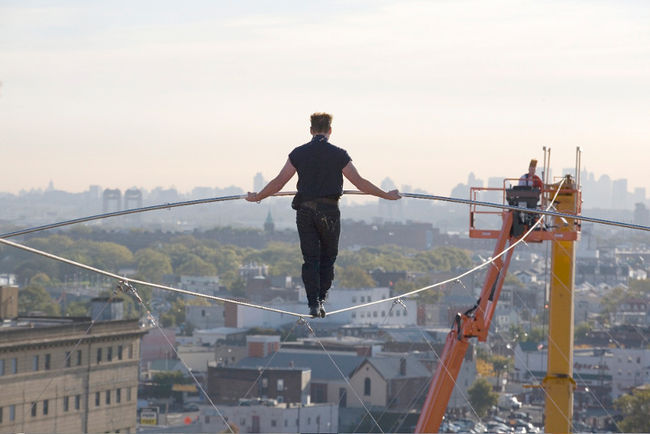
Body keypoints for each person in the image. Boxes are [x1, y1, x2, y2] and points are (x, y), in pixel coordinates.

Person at [246, 113, 401, 318]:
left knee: (310, 258)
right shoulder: (338, 154)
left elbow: (278, 183)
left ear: (311, 130)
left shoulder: (298, 153)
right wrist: (386, 196)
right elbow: (360, 183)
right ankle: (320, 300)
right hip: (329, 211)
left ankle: (312, 304)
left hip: (305, 211)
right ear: (330, 130)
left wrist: (258, 196)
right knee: (328, 257)